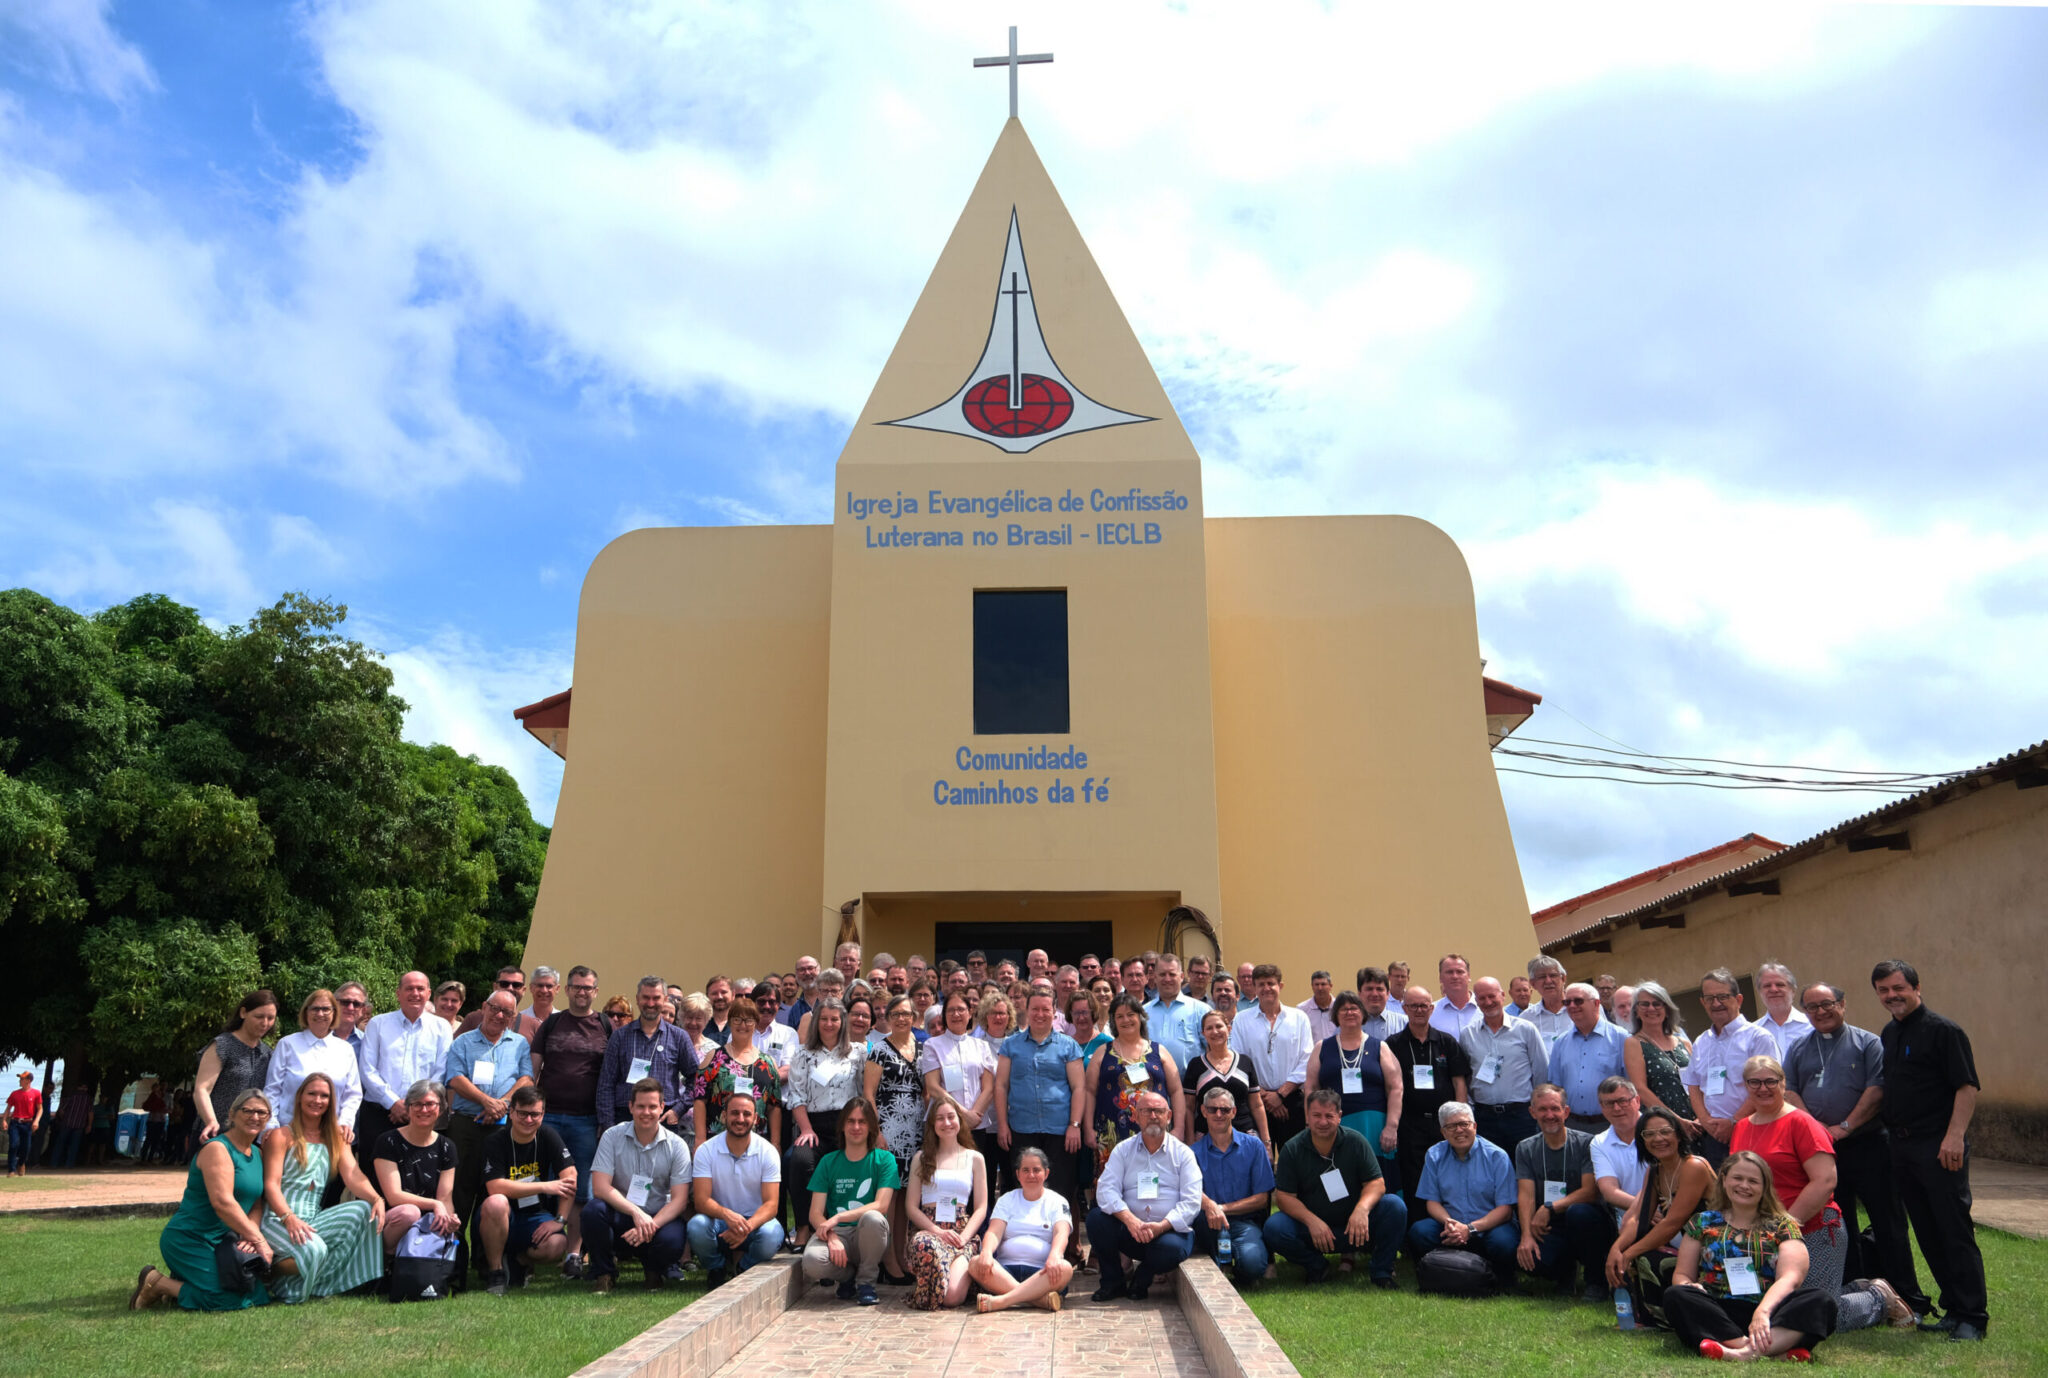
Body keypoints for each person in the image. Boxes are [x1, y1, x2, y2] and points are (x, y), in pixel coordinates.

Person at [1729, 1053, 1904, 1333]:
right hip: (1761, 1235)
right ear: (1745, 1086)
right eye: (1755, 1082)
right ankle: (1853, 1287)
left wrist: (1784, 1227)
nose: (1763, 1088)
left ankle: (1877, 1299)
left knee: (1814, 1318)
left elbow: (1824, 1181)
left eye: (1771, 1081)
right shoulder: (1741, 1127)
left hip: (1813, 1231)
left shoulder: (1802, 1124)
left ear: (1784, 1083)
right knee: (1771, 1311)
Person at [1785, 980, 1926, 1316]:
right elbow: (1789, 1091)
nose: (1820, 1012)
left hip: (1868, 1144)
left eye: (1827, 1004)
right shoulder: (1799, 1048)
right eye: (1812, 1007)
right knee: (1837, 1222)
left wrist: (1844, 1127)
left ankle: (1908, 1295)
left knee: (1887, 1220)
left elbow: (1876, 1090)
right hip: (1821, 1151)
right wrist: (1817, 1130)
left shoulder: (1868, 1043)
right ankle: (1853, 1291)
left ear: (1843, 1004)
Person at [1872, 959, 1986, 1341]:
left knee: (1953, 1229)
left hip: (1939, 1145)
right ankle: (1953, 1309)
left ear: (1916, 988)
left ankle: (1973, 1316)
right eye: (1884, 990)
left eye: (1898, 988)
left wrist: (1954, 1137)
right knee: (1927, 1229)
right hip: (1902, 1146)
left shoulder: (1944, 1031)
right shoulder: (1890, 1033)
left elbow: (1966, 1087)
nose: (1892, 996)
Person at [1665, 1151, 1838, 1361]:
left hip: (1770, 1313)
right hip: (1717, 1308)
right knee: (1676, 1295)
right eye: (1738, 1178)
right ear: (1724, 1179)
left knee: (1821, 1300)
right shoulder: (1702, 1222)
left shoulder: (1784, 1225)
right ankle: (1764, 1351)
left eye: (1753, 1181)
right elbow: (1682, 1274)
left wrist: (1762, 1313)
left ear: (1765, 1187)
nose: (1744, 1186)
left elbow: (1791, 1278)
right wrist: (1688, 1285)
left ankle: (1738, 1353)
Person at [131, 1088, 275, 1312]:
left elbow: (257, 1202)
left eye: (261, 1112)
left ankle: (184, 1283)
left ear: (268, 1118)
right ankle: (157, 1283)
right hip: (191, 1237)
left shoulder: (257, 1154)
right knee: (226, 1300)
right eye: (247, 1110)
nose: (254, 1117)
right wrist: (259, 1240)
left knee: (258, 1296)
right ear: (232, 1113)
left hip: (224, 1241)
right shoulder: (218, 1149)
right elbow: (222, 1203)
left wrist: (250, 1232)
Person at [258, 1073, 384, 1302]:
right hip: (279, 1217)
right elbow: (270, 1185)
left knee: (365, 1210)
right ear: (299, 1098)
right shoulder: (281, 1135)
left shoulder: (335, 1136)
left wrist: (377, 1198)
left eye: (324, 1096)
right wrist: (289, 1218)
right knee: (315, 1250)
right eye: (312, 1093)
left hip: (312, 1217)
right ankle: (267, 1272)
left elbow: (353, 1175)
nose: (317, 1100)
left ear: (331, 1102)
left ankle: (317, 1283)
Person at [1266, 1087, 1406, 1287]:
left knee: (1395, 1206)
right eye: (1316, 1115)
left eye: (1329, 1116)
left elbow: (1376, 1183)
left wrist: (1361, 1210)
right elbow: (1284, 1197)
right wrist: (1312, 1221)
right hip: (1314, 1230)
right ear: (1307, 1115)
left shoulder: (1355, 1141)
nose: (1323, 1122)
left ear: (1340, 1116)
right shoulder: (1292, 1148)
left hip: (1356, 1228)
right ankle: (1316, 1266)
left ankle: (1381, 1271)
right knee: (1274, 1227)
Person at [444, 989, 535, 1270]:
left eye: (507, 1012)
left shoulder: (519, 1043)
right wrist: (485, 1101)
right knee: (460, 1192)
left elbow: (526, 1077)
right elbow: (454, 1078)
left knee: (493, 1194)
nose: (499, 1016)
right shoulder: (463, 1041)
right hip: (465, 1125)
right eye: (495, 1008)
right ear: (484, 1007)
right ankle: (453, 1259)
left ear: (514, 1016)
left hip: (501, 1128)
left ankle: (487, 1262)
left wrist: (502, 1105)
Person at [995, 990, 1086, 1266]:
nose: (1040, 1014)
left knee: (1060, 1191)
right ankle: (1023, 1255)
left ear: (1054, 1011)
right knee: (1023, 1190)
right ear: (1027, 1010)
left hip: (1060, 1130)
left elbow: (1078, 1087)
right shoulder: (1010, 1046)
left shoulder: (1068, 1046)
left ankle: (1061, 1256)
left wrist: (1075, 1125)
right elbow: (1001, 1086)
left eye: (1046, 1009)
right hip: (1021, 1127)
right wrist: (1002, 1125)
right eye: (1035, 1009)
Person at [529, 964, 608, 1275]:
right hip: (546, 1119)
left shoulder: (604, 1025)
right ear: (567, 990)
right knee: (538, 1184)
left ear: (595, 991)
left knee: (580, 1188)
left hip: (586, 1120)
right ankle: (535, 1249)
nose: (581, 992)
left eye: (587, 987)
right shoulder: (552, 1024)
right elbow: (533, 1071)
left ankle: (572, 1254)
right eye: (576, 986)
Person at [1088, 1090, 1201, 1302]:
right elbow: (1106, 1190)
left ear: (1169, 1116)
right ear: (1135, 1116)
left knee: (1172, 1248)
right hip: (1132, 1231)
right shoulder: (1123, 1150)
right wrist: (1130, 1220)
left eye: (1159, 1111)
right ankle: (1113, 1283)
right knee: (1096, 1220)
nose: (1153, 1116)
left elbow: (1192, 1202)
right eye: (1146, 1111)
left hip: (1168, 1233)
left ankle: (1143, 1277)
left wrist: (1163, 1226)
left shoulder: (1184, 1154)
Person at [1605, 1106, 1715, 1321]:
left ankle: (1663, 1318)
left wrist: (1629, 1253)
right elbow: (1639, 1217)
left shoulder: (1694, 1166)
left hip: (1713, 1249)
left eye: (1665, 1131)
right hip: (1687, 1249)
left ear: (1678, 1134)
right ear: (1642, 1140)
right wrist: (1616, 1250)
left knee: (1641, 1257)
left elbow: (1672, 1223)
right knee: (1635, 1256)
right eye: (1649, 1134)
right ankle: (1646, 1317)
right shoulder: (1655, 1171)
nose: (1658, 1139)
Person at [583, 1078, 693, 1292]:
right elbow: (600, 1187)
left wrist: (650, 1223)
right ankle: (605, 1273)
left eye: (653, 1106)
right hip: (621, 1215)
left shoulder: (677, 1145)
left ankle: (654, 1272)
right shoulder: (611, 1136)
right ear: (630, 1107)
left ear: (662, 1107)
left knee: (674, 1237)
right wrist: (636, 1213)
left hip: (656, 1219)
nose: (646, 1112)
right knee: (592, 1211)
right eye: (640, 1106)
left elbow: (680, 1201)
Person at [1513, 1084, 1614, 1301]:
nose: (1549, 1115)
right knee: (1531, 1259)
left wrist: (1550, 1207)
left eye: (1555, 1109)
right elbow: (1526, 1194)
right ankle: (1564, 1272)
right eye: (1542, 1110)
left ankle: (1596, 1282)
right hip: (1548, 1225)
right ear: (1532, 1113)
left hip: (1584, 1219)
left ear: (1566, 1112)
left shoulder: (1587, 1143)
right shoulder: (1525, 1148)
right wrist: (1526, 1236)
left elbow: (1590, 1192)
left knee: (1579, 1213)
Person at [474, 1085, 576, 1293]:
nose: (528, 1120)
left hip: (533, 1215)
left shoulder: (548, 1136)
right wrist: (545, 1186)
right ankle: (496, 1272)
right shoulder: (495, 1141)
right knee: (496, 1202)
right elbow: (495, 1187)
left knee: (557, 1244)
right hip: (497, 1216)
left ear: (543, 1114)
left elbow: (571, 1178)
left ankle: (517, 1261)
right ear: (511, 1112)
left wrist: (559, 1221)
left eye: (534, 1114)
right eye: (522, 1113)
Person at [785, 998, 867, 1249]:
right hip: (814, 1126)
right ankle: (803, 1227)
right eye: (824, 1019)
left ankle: (843, 1230)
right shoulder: (802, 1053)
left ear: (842, 1022)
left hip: (849, 1126)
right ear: (816, 1022)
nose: (829, 1024)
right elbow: (796, 1095)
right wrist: (806, 1129)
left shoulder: (858, 1052)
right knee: (798, 1160)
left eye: (834, 1019)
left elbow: (864, 1091)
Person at [1405, 1101, 1518, 1281]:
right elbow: (1432, 1202)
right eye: (1451, 1126)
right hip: (1451, 1226)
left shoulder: (1497, 1156)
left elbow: (1505, 1210)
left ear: (1475, 1126)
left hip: (1488, 1226)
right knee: (1420, 1232)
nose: (1459, 1130)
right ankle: (1438, 1272)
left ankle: (1501, 1277)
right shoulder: (1434, 1155)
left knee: (1503, 1242)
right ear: (1442, 1131)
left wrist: (1470, 1229)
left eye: (1464, 1124)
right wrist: (1450, 1223)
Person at [802, 1096, 897, 1305]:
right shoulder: (828, 1161)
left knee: (873, 1218)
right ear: (842, 1126)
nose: (856, 1127)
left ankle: (866, 1283)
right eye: (851, 1121)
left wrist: (838, 1217)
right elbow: (815, 1213)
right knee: (811, 1261)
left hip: (868, 1235)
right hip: (840, 1235)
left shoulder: (884, 1160)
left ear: (871, 1127)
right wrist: (832, 1237)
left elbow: (881, 1205)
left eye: (862, 1122)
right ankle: (847, 1277)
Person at [357, 971, 452, 1173]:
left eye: (420, 989)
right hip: (379, 1113)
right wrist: (393, 1102)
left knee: (414, 1176)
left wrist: (414, 1106)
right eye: (409, 988)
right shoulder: (378, 1024)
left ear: (428, 993)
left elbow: (441, 1072)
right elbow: (367, 1069)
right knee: (372, 1177)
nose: (415, 993)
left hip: (421, 1114)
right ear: (398, 993)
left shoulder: (441, 1027)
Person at [1682, 967, 1778, 1166]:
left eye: (1723, 997)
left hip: (1753, 1130)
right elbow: (1693, 1086)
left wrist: (1734, 1122)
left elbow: (1766, 1087)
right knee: (1721, 1193)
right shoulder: (1701, 1041)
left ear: (1739, 999)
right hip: (1713, 1137)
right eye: (1709, 998)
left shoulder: (1758, 1038)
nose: (1716, 1004)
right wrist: (1707, 1122)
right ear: (1702, 1002)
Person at [687, 1090, 784, 1284]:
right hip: (720, 1223)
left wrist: (745, 1227)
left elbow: (772, 1205)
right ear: (724, 1116)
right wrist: (727, 1215)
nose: (740, 1119)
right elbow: (701, 1200)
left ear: (756, 1119)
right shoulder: (706, 1150)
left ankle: (744, 1268)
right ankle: (717, 1268)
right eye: (734, 1113)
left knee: (771, 1234)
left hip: (755, 1223)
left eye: (747, 1114)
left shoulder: (768, 1152)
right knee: (696, 1226)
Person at [905, 1095, 990, 1311]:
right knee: (925, 1244)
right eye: (940, 1119)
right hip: (930, 1231)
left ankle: (947, 1278)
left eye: (951, 1117)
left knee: (952, 1298)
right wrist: (937, 1232)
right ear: (933, 1125)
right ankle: (935, 1276)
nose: (947, 1123)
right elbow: (911, 1207)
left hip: (961, 1232)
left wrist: (963, 1238)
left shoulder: (975, 1158)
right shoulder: (921, 1158)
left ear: (959, 1120)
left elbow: (981, 1207)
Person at [1386, 984, 1471, 1201]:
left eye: (1423, 1005)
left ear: (1432, 1008)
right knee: (1414, 1179)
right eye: (1413, 1006)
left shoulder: (1447, 1042)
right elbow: (1388, 1087)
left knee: (1448, 1175)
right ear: (1404, 1009)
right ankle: (1418, 1229)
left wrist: (1460, 1118)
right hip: (1409, 1124)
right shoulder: (1393, 1045)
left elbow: (1459, 1081)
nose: (1419, 1010)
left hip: (1443, 1124)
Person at [1089, 993, 1186, 1180]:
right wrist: (1087, 1127)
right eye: (1119, 1016)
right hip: (1112, 1133)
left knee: (1157, 1180)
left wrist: (1179, 1127)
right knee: (1113, 1184)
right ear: (1113, 1021)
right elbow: (1089, 1092)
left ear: (1140, 1017)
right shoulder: (1103, 1052)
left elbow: (1176, 1091)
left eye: (1131, 1014)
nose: (1126, 1020)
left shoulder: (1159, 1051)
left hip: (1155, 1130)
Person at [864, 993, 926, 1283]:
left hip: (916, 1130)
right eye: (897, 1014)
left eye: (907, 1013)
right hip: (888, 1130)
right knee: (889, 1195)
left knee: (906, 1197)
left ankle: (901, 1255)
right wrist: (876, 1133)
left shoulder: (923, 1048)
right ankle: (887, 1260)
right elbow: (868, 1093)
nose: (902, 1018)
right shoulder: (878, 1049)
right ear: (887, 1018)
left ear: (915, 1017)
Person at [970, 1145, 1075, 1312]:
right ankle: (1039, 1301)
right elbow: (994, 1232)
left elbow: (1061, 1233)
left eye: (1036, 1170)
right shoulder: (1007, 1199)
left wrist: (1055, 1255)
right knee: (976, 1263)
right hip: (1005, 1272)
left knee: (1065, 1268)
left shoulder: (1057, 1201)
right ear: (1018, 1174)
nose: (1031, 1175)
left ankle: (1002, 1301)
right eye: (1025, 1170)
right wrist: (987, 1252)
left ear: (1046, 1173)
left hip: (1042, 1273)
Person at [1304, 990, 1400, 1168]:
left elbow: (1395, 1088)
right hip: (1333, 1123)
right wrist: (1310, 1121)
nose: (1349, 1012)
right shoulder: (1322, 1047)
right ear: (1336, 1015)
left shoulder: (1380, 1047)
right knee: (1339, 1171)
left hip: (1373, 1125)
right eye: (1344, 1009)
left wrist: (1391, 1126)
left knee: (1376, 1173)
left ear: (1363, 1014)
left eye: (1354, 1008)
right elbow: (1311, 1087)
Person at [1189, 1085, 1274, 1283]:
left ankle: (1236, 1270)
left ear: (1234, 1112)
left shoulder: (1254, 1147)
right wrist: (1211, 1207)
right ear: (1203, 1111)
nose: (1219, 1114)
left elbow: (1262, 1199)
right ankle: (1219, 1262)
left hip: (1244, 1223)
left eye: (1225, 1110)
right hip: (1207, 1224)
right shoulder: (1192, 1153)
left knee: (1253, 1265)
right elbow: (1189, 1191)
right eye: (1212, 1109)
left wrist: (1222, 1208)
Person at [598, 975, 700, 1132]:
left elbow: (697, 1078)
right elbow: (606, 1084)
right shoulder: (619, 1036)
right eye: (646, 998)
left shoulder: (679, 1037)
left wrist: (679, 1109)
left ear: (665, 999)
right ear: (638, 999)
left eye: (656, 998)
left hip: (664, 1117)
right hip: (625, 1117)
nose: (650, 1003)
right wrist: (608, 1125)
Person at [1459, 976, 1547, 1154]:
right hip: (1484, 1118)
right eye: (1482, 998)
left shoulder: (1526, 1029)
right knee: (1492, 1174)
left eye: (1492, 996)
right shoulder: (1468, 1035)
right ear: (1476, 1001)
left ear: (1503, 995)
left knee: (1525, 1171)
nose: (1488, 1002)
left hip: (1522, 1116)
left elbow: (1541, 1071)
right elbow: (1465, 1075)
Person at [371, 1080, 459, 1256]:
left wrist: (449, 1219)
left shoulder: (447, 1146)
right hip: (391, 1218)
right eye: (417, 1104)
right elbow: (394, 1196)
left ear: (441, 1109)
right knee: (409, 1212)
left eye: (430, 1104)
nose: (424, 1110)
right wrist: (435, 1205)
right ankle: (387, 1260)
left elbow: (445, 1197)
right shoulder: (388, 1141)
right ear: (408, 1108)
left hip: (429, 1219)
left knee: (448, 1228)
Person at [1230, 964, 1313, 1145]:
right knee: (1260, 1159)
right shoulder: (1241, 1020)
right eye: (1261, 984)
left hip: (1292, 1100)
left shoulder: (1299, 1018)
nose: (1266, 988)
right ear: (1254, 987)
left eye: (1271, 983)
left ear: (1280, 986)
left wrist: (1280, 1095)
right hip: (1255, 1100)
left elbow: (1307, 1060)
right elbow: (1238, 1061)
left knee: (1292, 1160)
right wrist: (1265, 1096)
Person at [265, 989, 364, 1137]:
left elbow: (353, 1094)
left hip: (331, 1133)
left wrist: (345, 1122)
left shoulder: (345, 1049)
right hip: (288, 1132)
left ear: (334, 1013)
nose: (320, 1014)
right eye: (315, 1009)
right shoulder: (287, 1044)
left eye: (326, 1009)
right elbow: (272, 1089)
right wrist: (271, 1126)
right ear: (306, 1012)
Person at [922, 990, 1000, 1170]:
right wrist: (963, 1115)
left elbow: (988, 1087)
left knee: (976, 1178)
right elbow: (933, 1087)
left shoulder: (981, 1046)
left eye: (961, 1009)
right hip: (944, 1123)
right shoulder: (932, 1045)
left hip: (977, 1125)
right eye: (950, 1010)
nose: (956, 1014)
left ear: (970, 1013)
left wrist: (974, 1115)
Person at [1623, 981, 1702, 1147]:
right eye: (1644, 1004)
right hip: (1663, 1127)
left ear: (1667, 1010)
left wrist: (1701, 1118)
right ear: (1636, 1011)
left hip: (1698, 1126)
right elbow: (1640, 1089)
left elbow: (1701, 1084)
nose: (1651, 1009)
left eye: (1657, 1004)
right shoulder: (1634, 1044)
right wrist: (1676, 1121)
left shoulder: (1684, 1043)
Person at [1185, 1008, 1272, 1156]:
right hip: (1206, 1138)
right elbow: (1188, 1107)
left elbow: (1257, 1105)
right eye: (1209, 1028)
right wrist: (1190, 1140)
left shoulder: (1245, 1062)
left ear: (1229, 1029)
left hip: (1245, 1134)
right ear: (1203, 1034)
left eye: (1219, 1026)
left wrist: (1266, 1142)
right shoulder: (1196, 1065)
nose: (1215, 1031)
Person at [1546, 982, 1631, 1133]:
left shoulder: (1621, 1038)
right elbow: (1556, 1086)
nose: (1572, 1006)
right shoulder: (1561, 1042)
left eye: (1578, 1001)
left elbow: (1631, 1084)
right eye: (1567, 1002)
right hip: (1572, 1125)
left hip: (1612, 1124)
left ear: (1596, 1003)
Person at [1142, 955, 1210, 1078]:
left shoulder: (1201, 1010)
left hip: (1191, 1089)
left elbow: (1213, 1048)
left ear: (1182, 977)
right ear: (1155, 977)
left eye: (1172, 974)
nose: (1167, 979)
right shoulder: (1143, 1012)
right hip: (1153, 1088)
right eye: (1162, 974)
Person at [1590, 1076, 1647, 1217]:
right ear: (1602, 1108)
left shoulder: (1658, 1131)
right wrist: (1645, 1209)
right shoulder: (1599, 1142)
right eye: (1609, 1103)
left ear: (1637, 1101)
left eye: (1622, 1101)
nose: (1616, 1108)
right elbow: (1609, 1191)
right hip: (1630, 1217)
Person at [458, 967, 542, 1040]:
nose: (510, 988)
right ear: (495, 987)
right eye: (504, 984)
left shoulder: (534, 1026)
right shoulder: (474, 1018)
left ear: (523, 990)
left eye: (516, 985)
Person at [1754, 962, 1813, 1061]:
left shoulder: (1811, 1026)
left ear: (1793, 990)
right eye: (1767, 986)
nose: (1773, 989)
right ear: (1760, 992)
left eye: (1780, 984)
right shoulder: (1753, 1032)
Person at [1522, 957, 1573, 1047]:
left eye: (1553, 975)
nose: (1548, 981)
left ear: (1563, 979)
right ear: (1533, 984)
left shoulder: (1584, 1007)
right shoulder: (1526, 1019)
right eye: (1542, 977)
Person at [1429, 954, 1482, 1038]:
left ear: (1468, 976)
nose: (1455, 976)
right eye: (1449, 972)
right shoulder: (1430, 1013)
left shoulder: (1485, 1008)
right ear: (1440, 977)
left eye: (1460, 972)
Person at [6, 1070, 43, 1177]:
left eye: (22, 1079)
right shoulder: (15, 1093)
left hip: (27, 1124)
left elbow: (40, 1109)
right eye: (20, 1078)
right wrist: (4, 1120)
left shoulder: (36, 1093)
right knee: (13, 1145)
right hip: (15, 1122)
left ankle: (21, 1164)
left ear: (28, 1081)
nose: (20, 1080)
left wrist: (36, 1121)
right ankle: (11, 1170)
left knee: (26, 1147)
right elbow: (8, 1108)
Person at [1355, 966, 1405, 1042]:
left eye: (1379, 989)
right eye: (1369, 989)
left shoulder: (1404, 1023)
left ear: (1388, 994)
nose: (1375, 994)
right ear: (1359, 994)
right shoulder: (1347, 1026)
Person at [1297, 970, 1338, 1043]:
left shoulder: (1339, 1007)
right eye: (1316, 984)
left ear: (1330, 986)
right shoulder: (1302, 1010)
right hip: (1313, 1053)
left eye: (1323, 984)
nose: (1320, 988)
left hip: (1337, 1052)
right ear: (1312, 986)